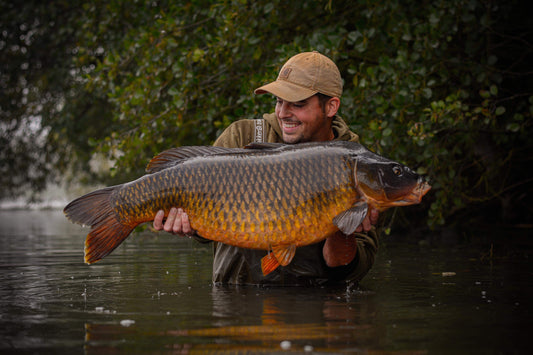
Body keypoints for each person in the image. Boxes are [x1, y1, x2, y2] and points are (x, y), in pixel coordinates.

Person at [153, 51, 379, 286]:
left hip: (314, 307)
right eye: (279, 101)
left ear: (331, 106)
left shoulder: (360, 166)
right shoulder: (242, 137)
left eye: (297, 104)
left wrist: (344, 229)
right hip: (234, 300)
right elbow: (203, 224)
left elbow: (353, 271)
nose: (282, 113)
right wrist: (191, 228)